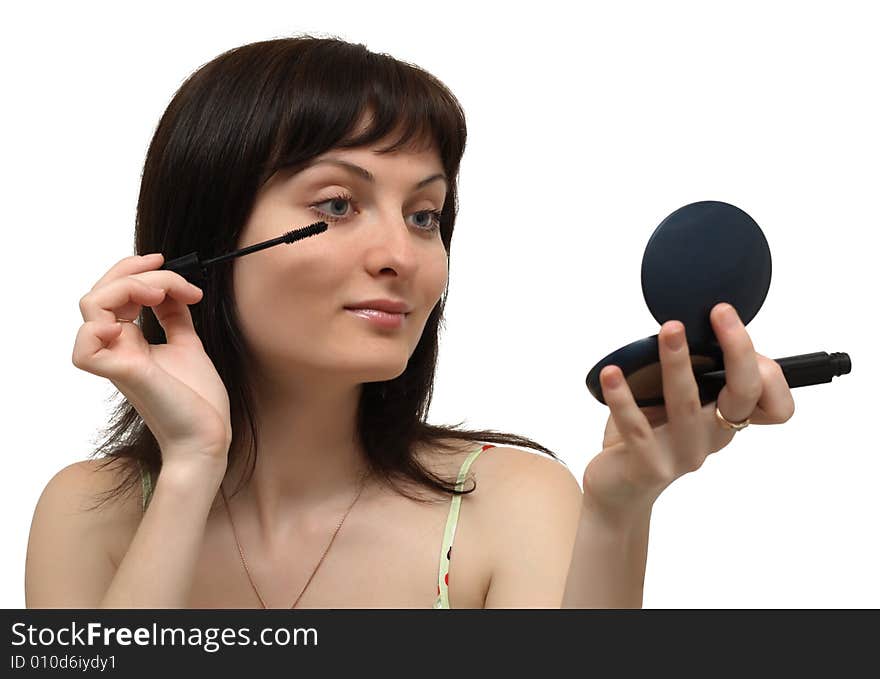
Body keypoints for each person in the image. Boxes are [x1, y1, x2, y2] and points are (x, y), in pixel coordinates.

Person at [24, 35, 795, 609]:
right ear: (206, 240)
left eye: (425, 214)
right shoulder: (86, 514)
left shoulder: (512, 503)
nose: (402, 253)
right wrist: (192, 462)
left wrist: (618, 514)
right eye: (337, 204)